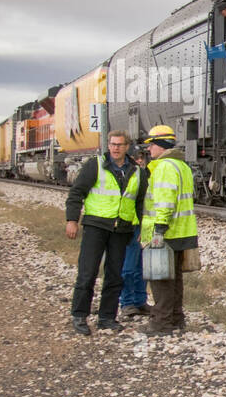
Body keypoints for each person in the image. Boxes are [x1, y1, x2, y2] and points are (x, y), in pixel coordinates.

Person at [65, 130, 143, 335]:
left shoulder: (136, 171)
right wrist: (72, 220)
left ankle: (107, 317)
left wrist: (143, 228)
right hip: (96, 227)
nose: (115, 148)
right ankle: (79, 315)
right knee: (87, 272)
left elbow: (141, 203)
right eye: (112, 144)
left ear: (127, 147)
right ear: (108, 145)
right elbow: (76, 193)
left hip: (122, 230)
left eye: (120, 144)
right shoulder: (95, 165)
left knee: (115, 275)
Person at [139, 124, 198, 335]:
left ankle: (161, 323)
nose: (149, 150)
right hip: (183, 231)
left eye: (151, 145)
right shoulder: (182, 166)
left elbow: (165, 201)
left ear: (161, 145)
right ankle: (176, 319)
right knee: (175, 279)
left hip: (166, 232)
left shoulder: (164, 167)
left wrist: (158, 230)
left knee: (161, 279)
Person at [119, 144, 151, 318]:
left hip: (146, 225)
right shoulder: (130, 174)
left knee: (143, 265)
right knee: (129, 266)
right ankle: (127, 302)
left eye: (142, 157)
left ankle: (140, 301)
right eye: (137, 157)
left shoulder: (148, 173)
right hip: (133, 225)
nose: (140, 160)